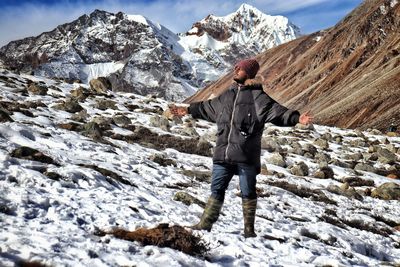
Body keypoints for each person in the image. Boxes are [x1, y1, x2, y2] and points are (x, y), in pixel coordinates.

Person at [169, 58, 313, 238]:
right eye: (236, 66)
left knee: (248, 192)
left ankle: (249, 230)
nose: (235, 68)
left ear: (248, 73)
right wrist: (188, 110)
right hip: (223, 153)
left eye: (240, 68)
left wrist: (297, 119)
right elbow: (207, 107)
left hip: (246, 156)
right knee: (216, 189)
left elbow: (279, 113)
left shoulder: (258, 98)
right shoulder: (227, 95)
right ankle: (205, 224)